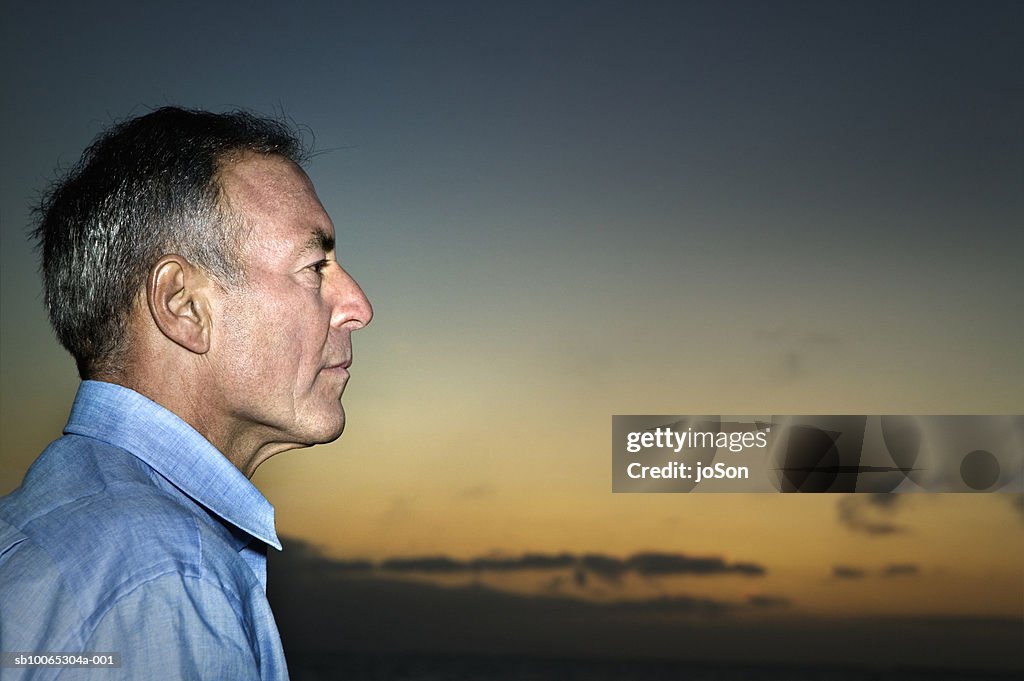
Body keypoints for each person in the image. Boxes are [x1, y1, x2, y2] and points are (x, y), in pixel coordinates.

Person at [0, 107, 372, 680]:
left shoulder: (48, 528)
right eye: (315, 265)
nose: (357, 308)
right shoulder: (166, 577)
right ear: (184, 306)